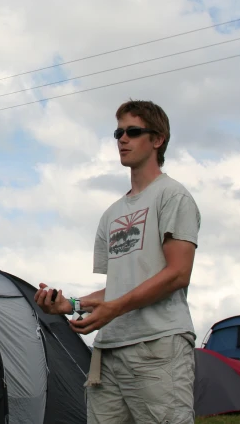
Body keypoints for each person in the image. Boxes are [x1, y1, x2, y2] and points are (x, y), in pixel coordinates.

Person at [34, 99, 200, 424]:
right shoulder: (112, 213)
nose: (122, 139)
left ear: (157, 139)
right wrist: (71, 304)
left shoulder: (173, 196)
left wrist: (116, 308)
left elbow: (178, 273)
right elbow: (121, 287)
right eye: (118, 132)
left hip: (158, 347)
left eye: (133, 131)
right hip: (109, 352)